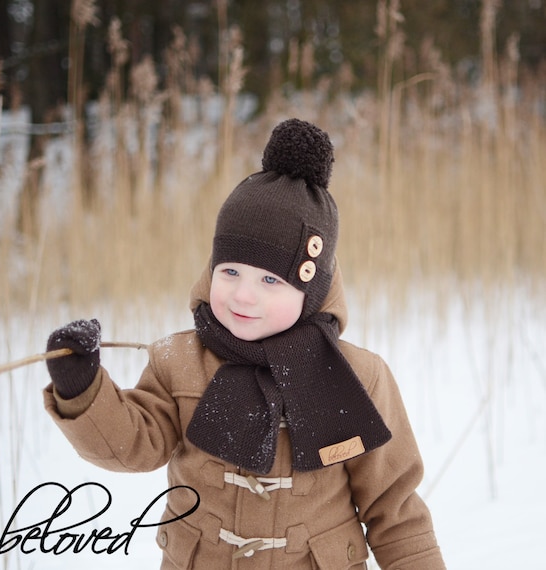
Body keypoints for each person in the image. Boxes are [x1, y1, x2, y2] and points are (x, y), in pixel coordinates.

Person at [44, 118, 446, 569]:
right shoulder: (179, 361)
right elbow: (134, 446)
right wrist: (83, 389)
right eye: (230, 271)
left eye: (271, 280)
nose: (243, 295)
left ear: (310, 292)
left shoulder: (357, 377)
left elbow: (394, 509)